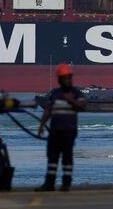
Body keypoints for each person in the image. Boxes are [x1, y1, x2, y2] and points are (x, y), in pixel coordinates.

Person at [36, 63, 87, 192]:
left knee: (67, 157)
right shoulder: (55, 93)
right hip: (54, 131)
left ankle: (66, 183)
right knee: (52, 157)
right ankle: (49, 184)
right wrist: (41, 126)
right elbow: (48, 110)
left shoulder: (76, 93)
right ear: (59, 80)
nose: (67, 80)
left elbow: (83, 107)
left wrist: (71, 100)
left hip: (68, 131)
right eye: (64, 78)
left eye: (69, 77)